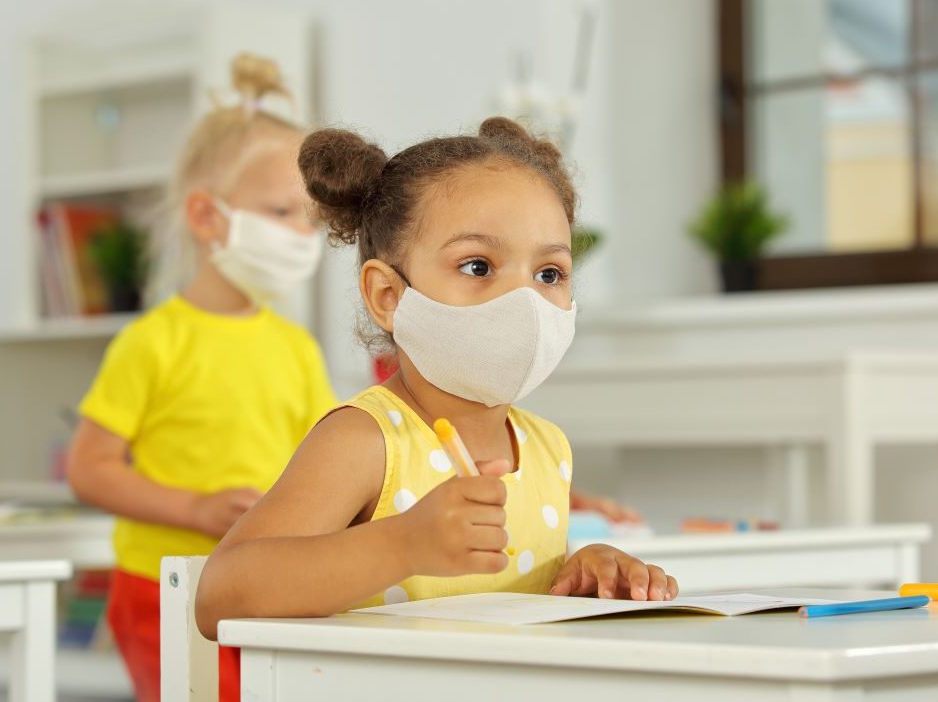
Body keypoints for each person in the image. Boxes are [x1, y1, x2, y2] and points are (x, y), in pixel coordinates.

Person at [195, 117, 678, 640]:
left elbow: (509, 613)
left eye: (549, 274)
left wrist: (580, 574)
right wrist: (403, 544)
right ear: (388, 296)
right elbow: (220, 594)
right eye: (478, 267)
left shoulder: (548, 449)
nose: (526, 301)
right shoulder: (366, 441)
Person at [66, 54, 337, 702]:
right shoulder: (151, 343)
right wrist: (194, 509)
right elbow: (89, 468)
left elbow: (330, 464)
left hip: (262, 585)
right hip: (161, 588)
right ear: (206, 216)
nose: (302, 235)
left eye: (310, 218)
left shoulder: (297, 348)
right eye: (281, 211)